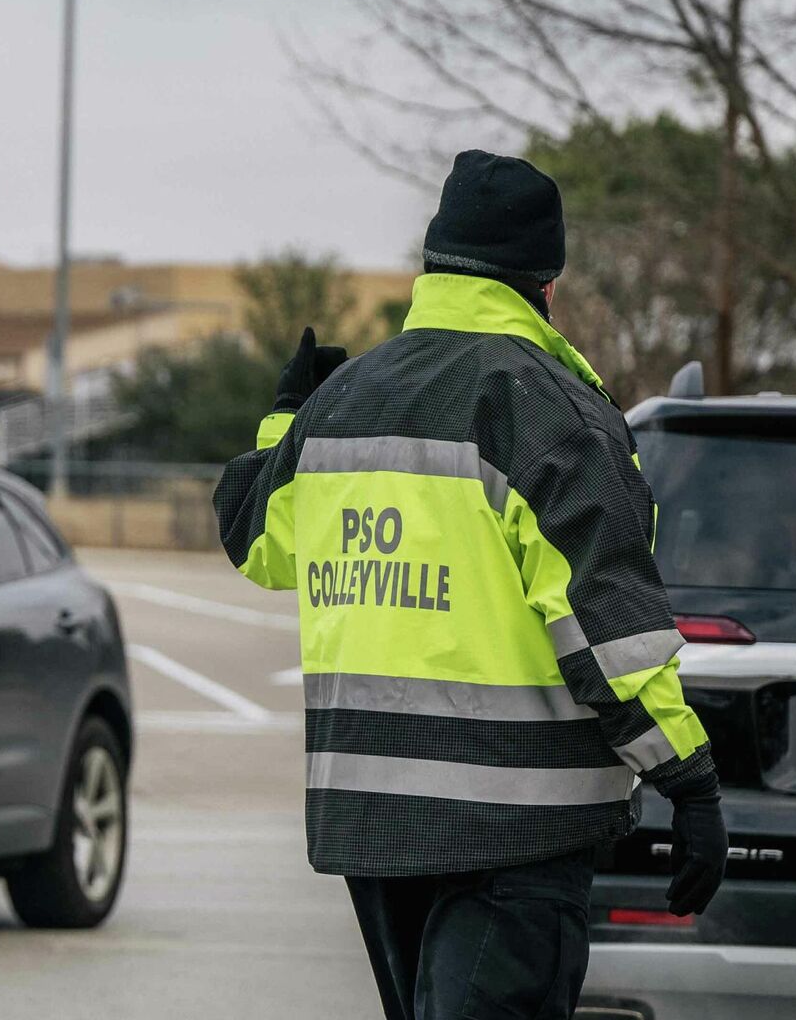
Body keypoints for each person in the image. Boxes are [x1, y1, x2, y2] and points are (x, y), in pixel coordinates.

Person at [212, 149, 726, 1019]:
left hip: (373, 822)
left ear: (434, 266)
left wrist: (286, 418)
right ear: (545, 285)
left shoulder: (344, 403)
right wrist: (688, 778)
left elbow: (256, 539)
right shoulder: (543, 404)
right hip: (517, 826)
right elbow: (606, 622)